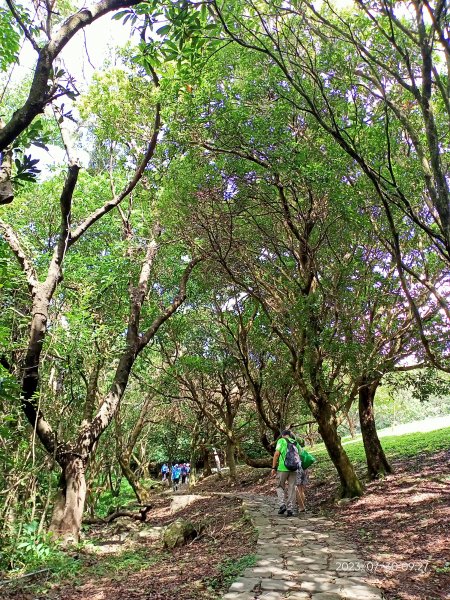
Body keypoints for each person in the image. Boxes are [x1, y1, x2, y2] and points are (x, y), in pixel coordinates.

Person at [271, 429, 301, 517]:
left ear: (283, 435)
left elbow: (276, 454)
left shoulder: (281, 441)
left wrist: (273, 467)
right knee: (292, 488)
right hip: (294, 468)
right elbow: (300, 454)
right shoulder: (295, 442)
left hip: (283, 468)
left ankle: (282, 505)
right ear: (289, 435)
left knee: (280, 486)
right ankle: (290, 509)